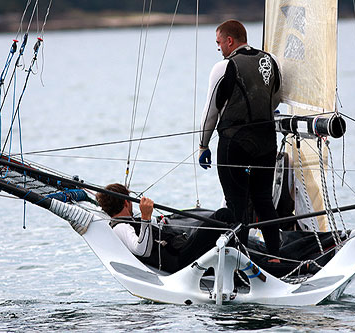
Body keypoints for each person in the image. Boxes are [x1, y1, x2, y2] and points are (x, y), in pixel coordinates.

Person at [198, 20, 282, 259]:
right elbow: (274, 100)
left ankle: (240, 261)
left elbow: (210, 111)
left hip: (235, 145)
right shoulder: (270, 61)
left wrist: (203, 145)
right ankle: (276, 256)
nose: (218, 48)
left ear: (230, 41)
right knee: (264, 200)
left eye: (219, 43)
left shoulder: (224, 67)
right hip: (266, 143)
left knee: (237, 204)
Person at [96, 183, 236, 272]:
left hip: (179, 250)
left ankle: (235, 259)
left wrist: (148, 219)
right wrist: (145, 217)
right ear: (126, 202)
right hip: (178, 260)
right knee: (223, 215)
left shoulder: (127, 221)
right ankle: (236, 264)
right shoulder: (120, 227)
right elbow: (142, 251)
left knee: (217, 226)